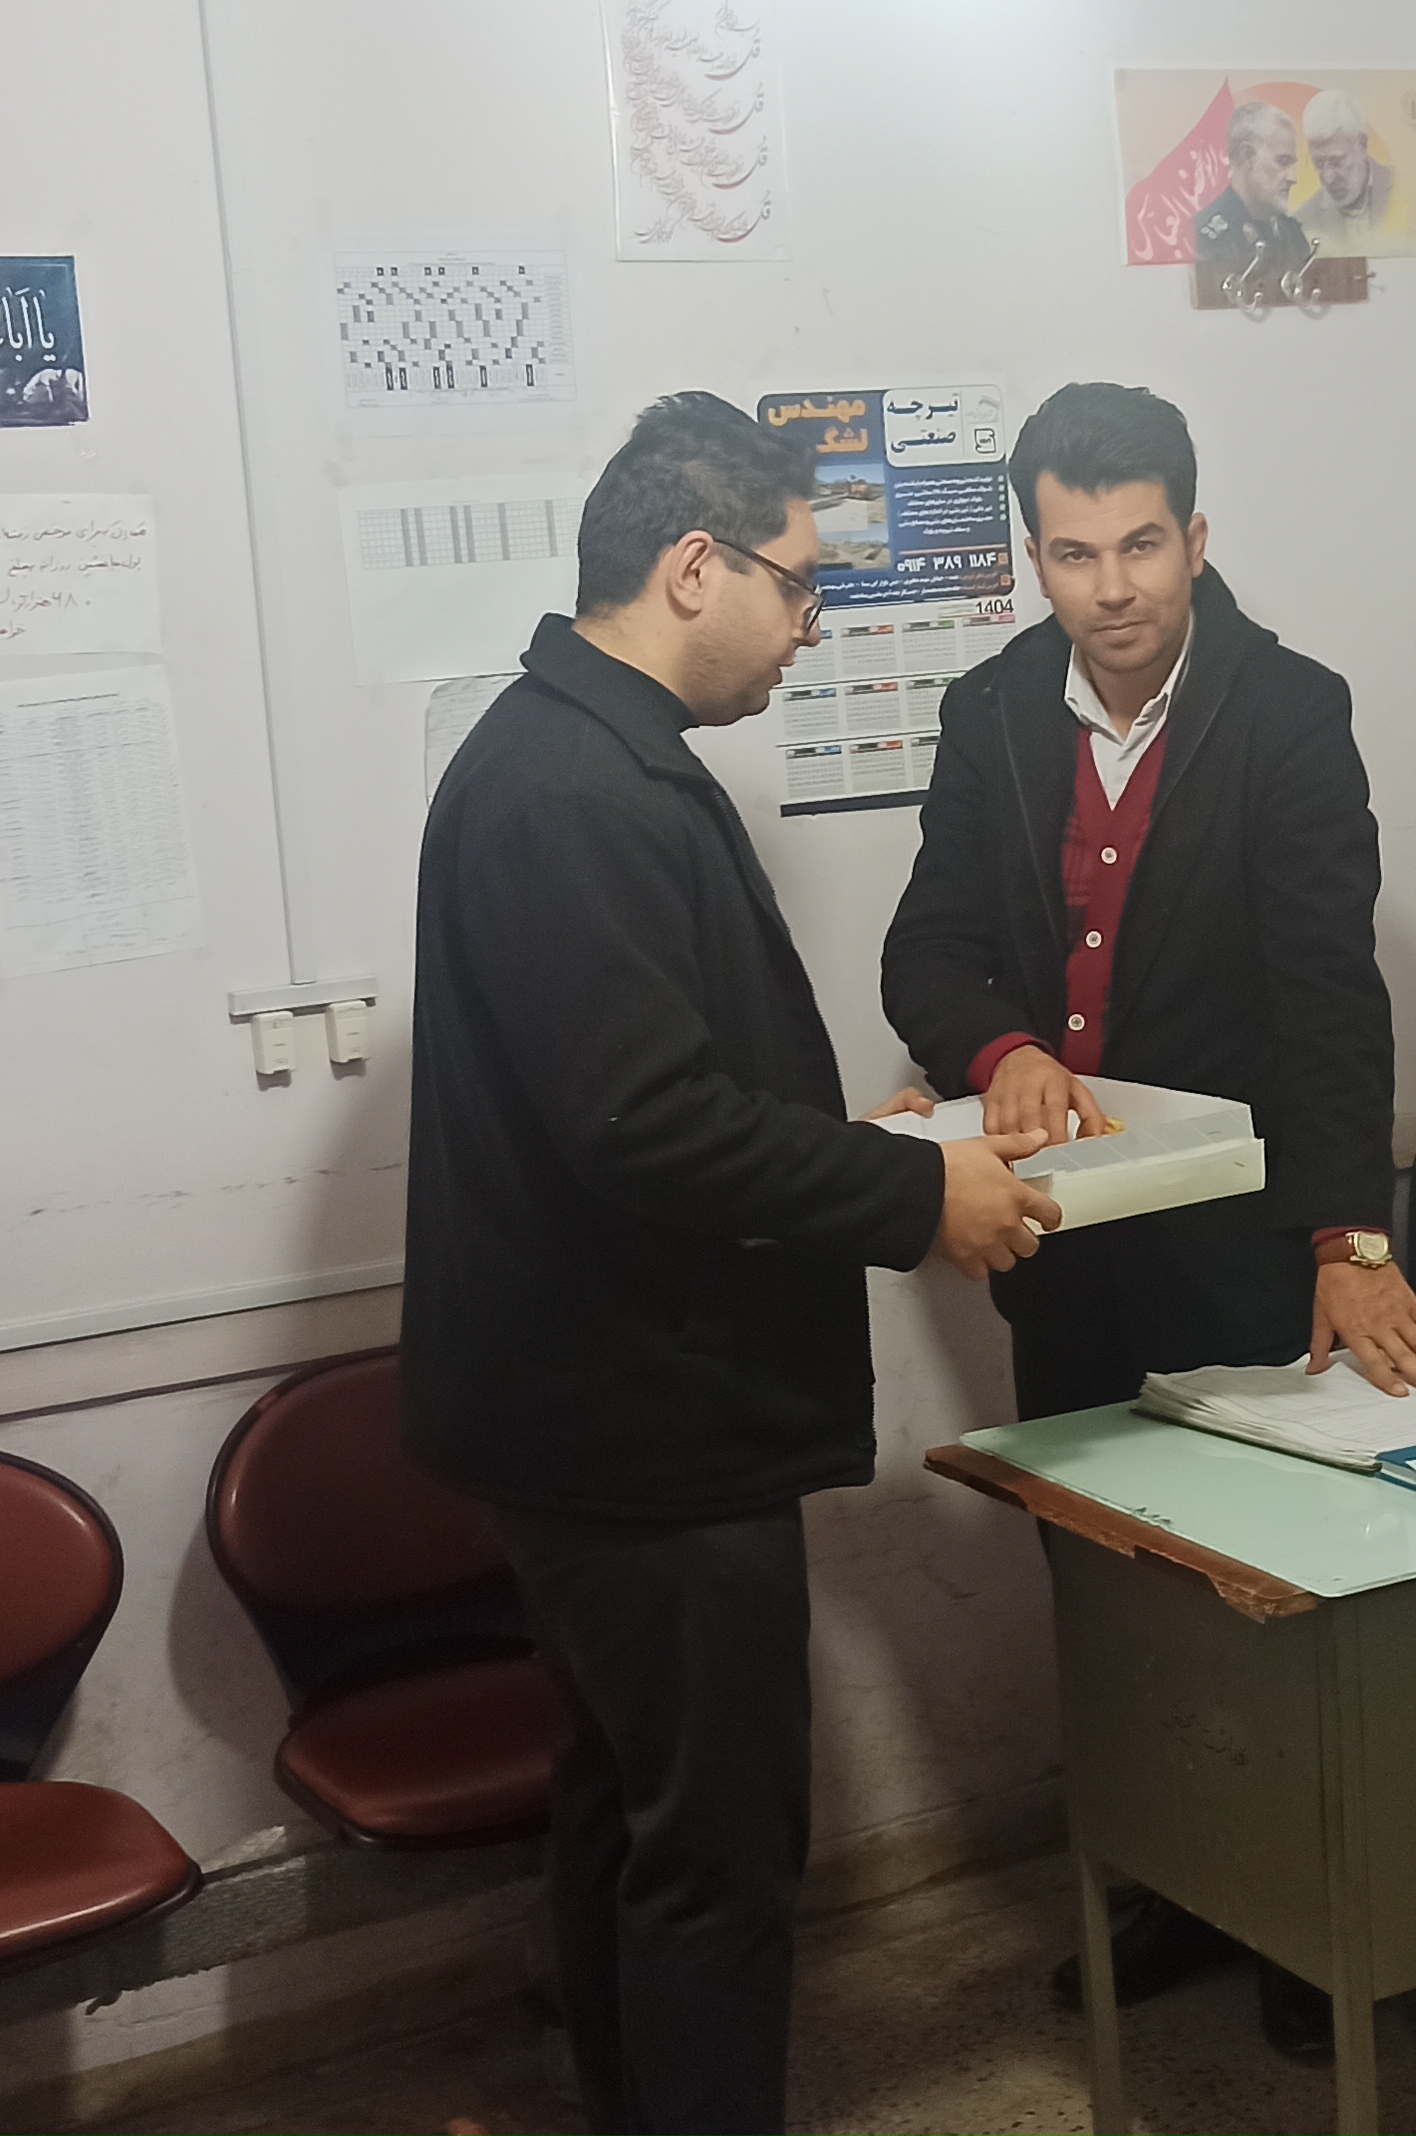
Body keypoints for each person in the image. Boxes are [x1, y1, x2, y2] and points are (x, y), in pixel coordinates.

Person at [405, 390, 1065, 2136]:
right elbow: (644, 1129)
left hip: (599, 1412)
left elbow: (650, 1089)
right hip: (640, 1430)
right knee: (710, 1863)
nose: (810, 624)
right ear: (695, 567)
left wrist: (862, 1139)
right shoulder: (575, 792)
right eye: (798, 584)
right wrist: (915, 1196)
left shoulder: (580, 752)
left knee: (626, 1820)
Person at [879, 380, 1416, 2055]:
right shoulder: (992, 710)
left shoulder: (1288, 711)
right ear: (1033, 557)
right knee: (1109, 1589)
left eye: (1141, 544)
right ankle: (1164, 1887)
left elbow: (1329, 998)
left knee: (1266, 1595)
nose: (1113, 586)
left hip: (1240, 1249)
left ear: (1195, 539)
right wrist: (999, 1051)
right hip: (1062, 1250)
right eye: (1074, 552)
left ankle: (1308, 1921)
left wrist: (1350, 1241)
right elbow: (926, 947)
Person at [1192, 99, 1312, 308]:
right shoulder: (1207, 236)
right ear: (1246, 155)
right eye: (1282, 162)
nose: (1293, 178)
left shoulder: (1291, 233)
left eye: (1292, 164)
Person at [1293, 89, 1403, 255]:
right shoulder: (1304, 221)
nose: (1328, 177)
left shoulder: (1405, 190)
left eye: (1337, 162)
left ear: (1362, 144)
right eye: (1318, 163)